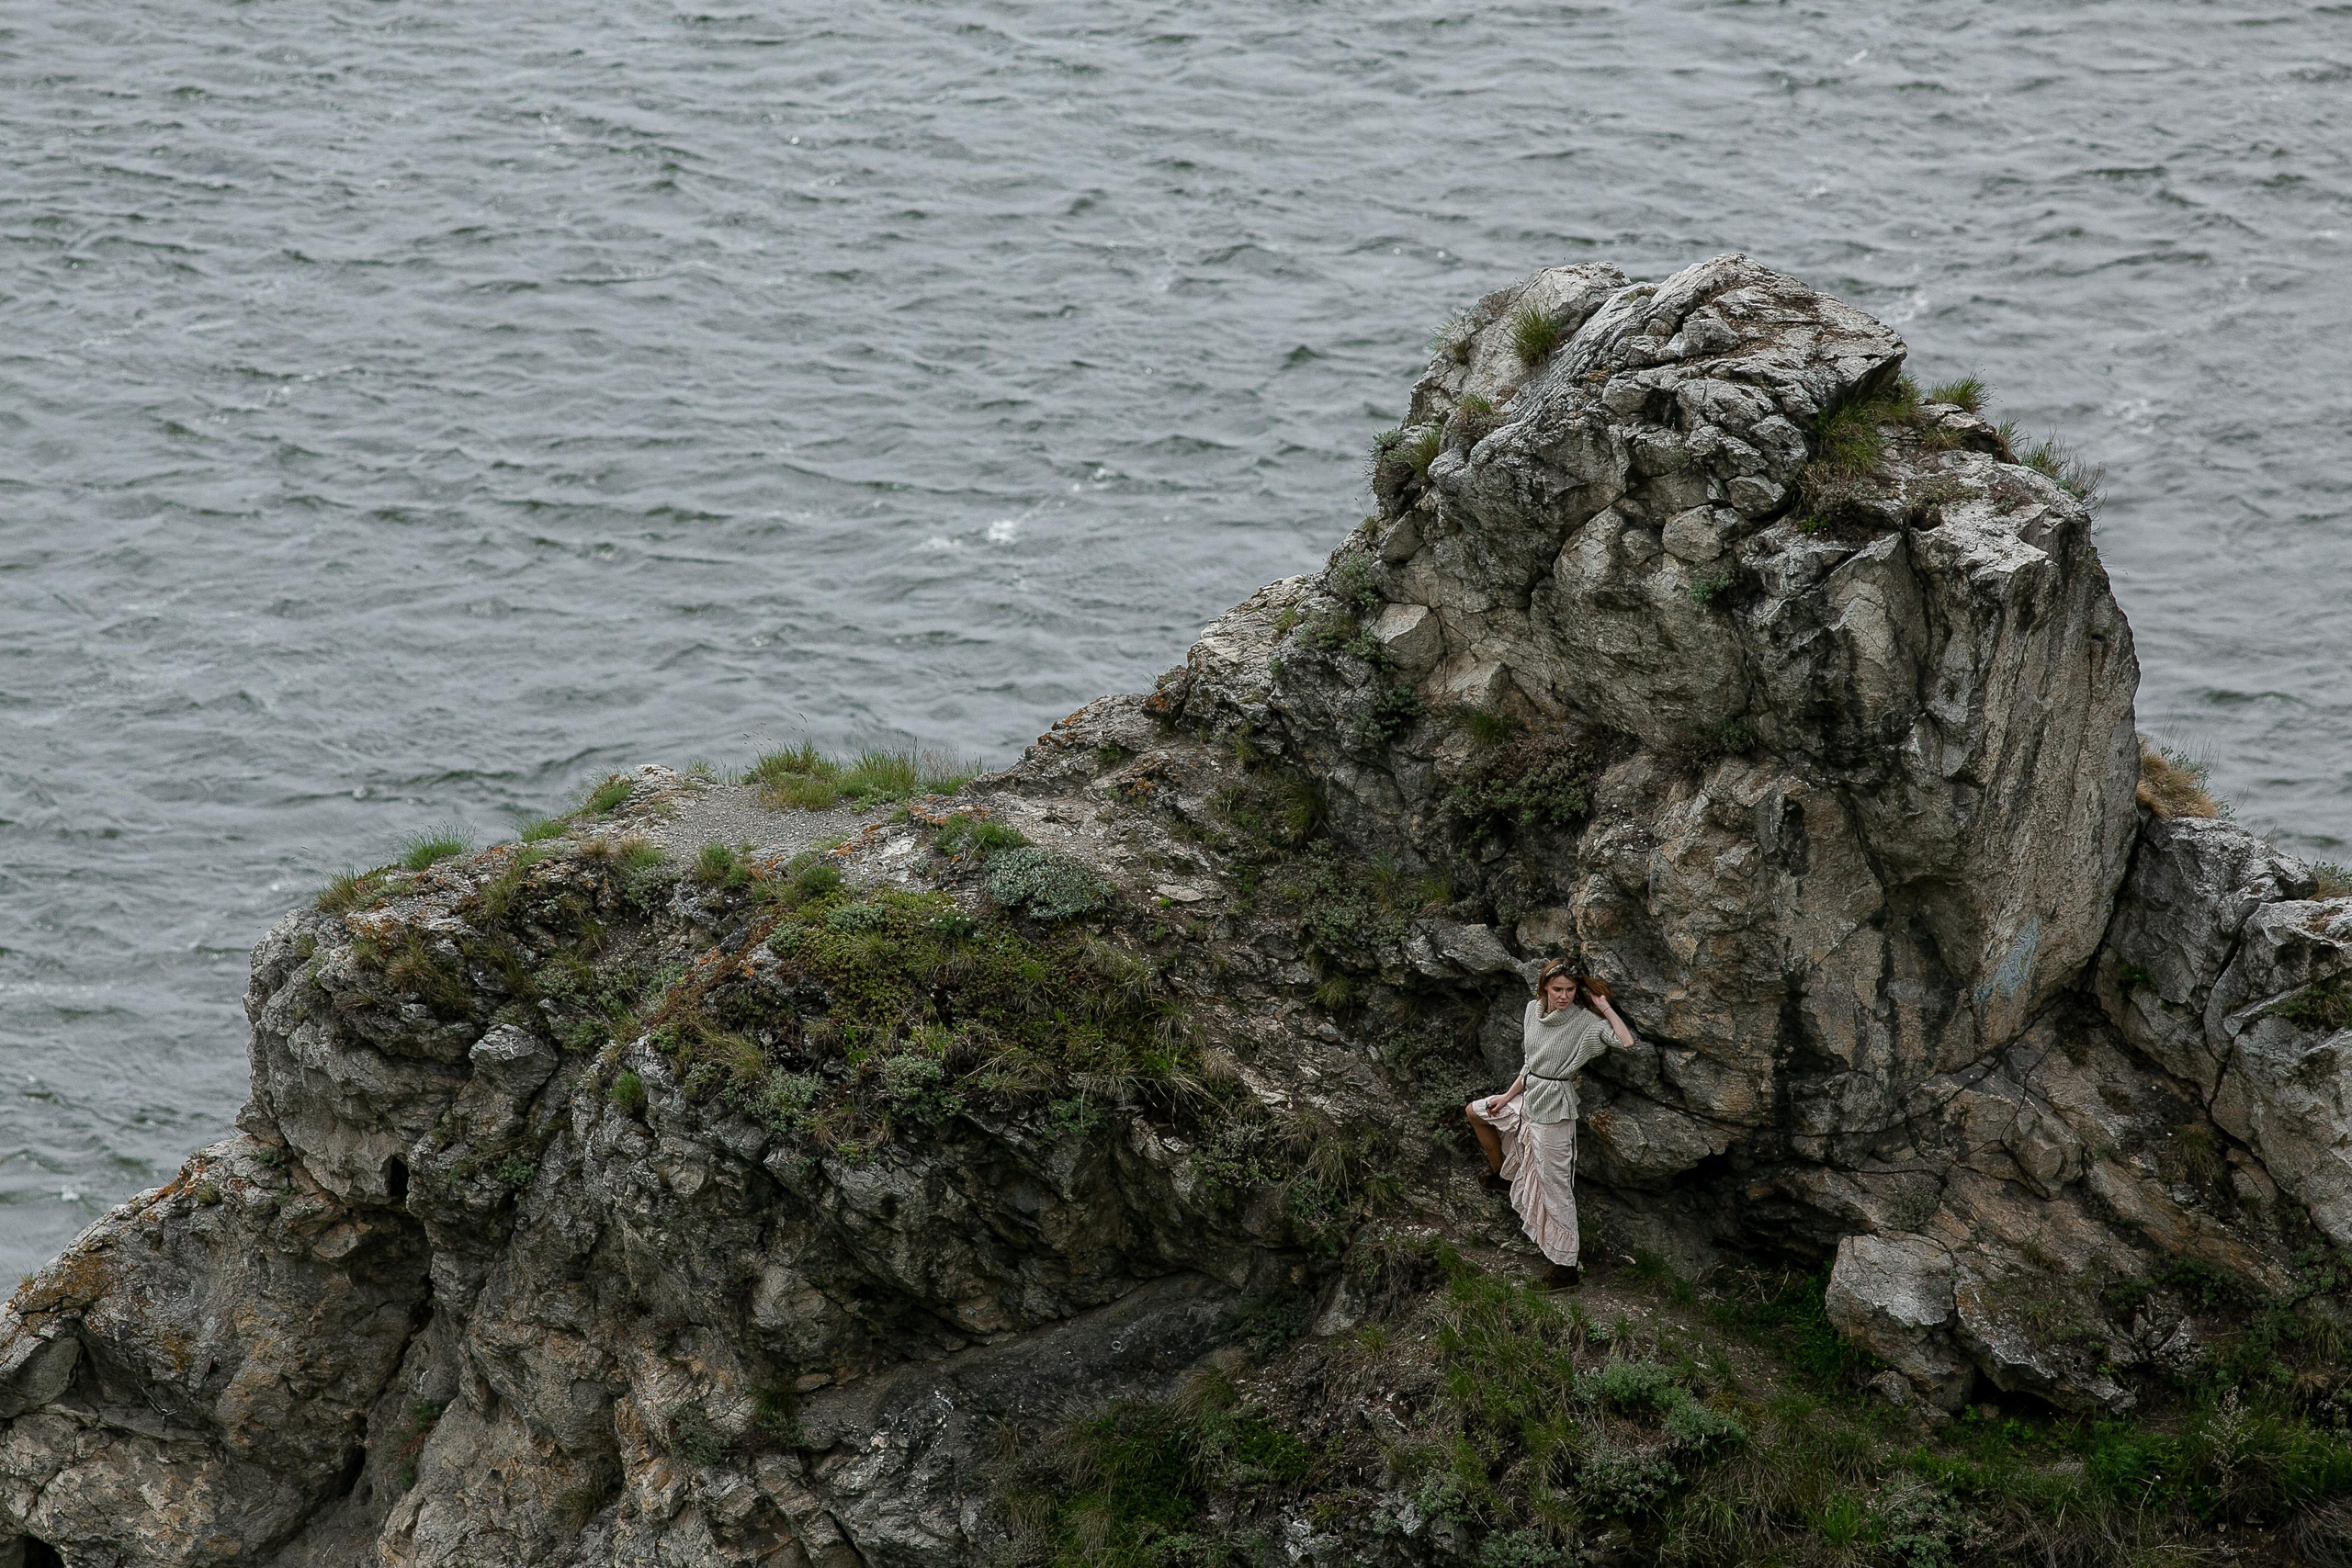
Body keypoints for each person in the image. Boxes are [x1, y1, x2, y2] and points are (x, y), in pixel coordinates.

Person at [1464, 959, 1635, 1290]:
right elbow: (1530, 1063)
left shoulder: (1586, 1022)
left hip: (1555, 1109)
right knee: (1475, 1111)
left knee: (1556, 1189)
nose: (1564, 996)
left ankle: (1565, 1269)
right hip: (1529, 1096)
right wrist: (1508, 1094)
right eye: (1557, 989)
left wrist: (1604, 1006)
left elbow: (1626, 1041)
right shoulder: (1532, 1011)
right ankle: (1503, 1175)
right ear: (1544, 988)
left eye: (1570, 990)